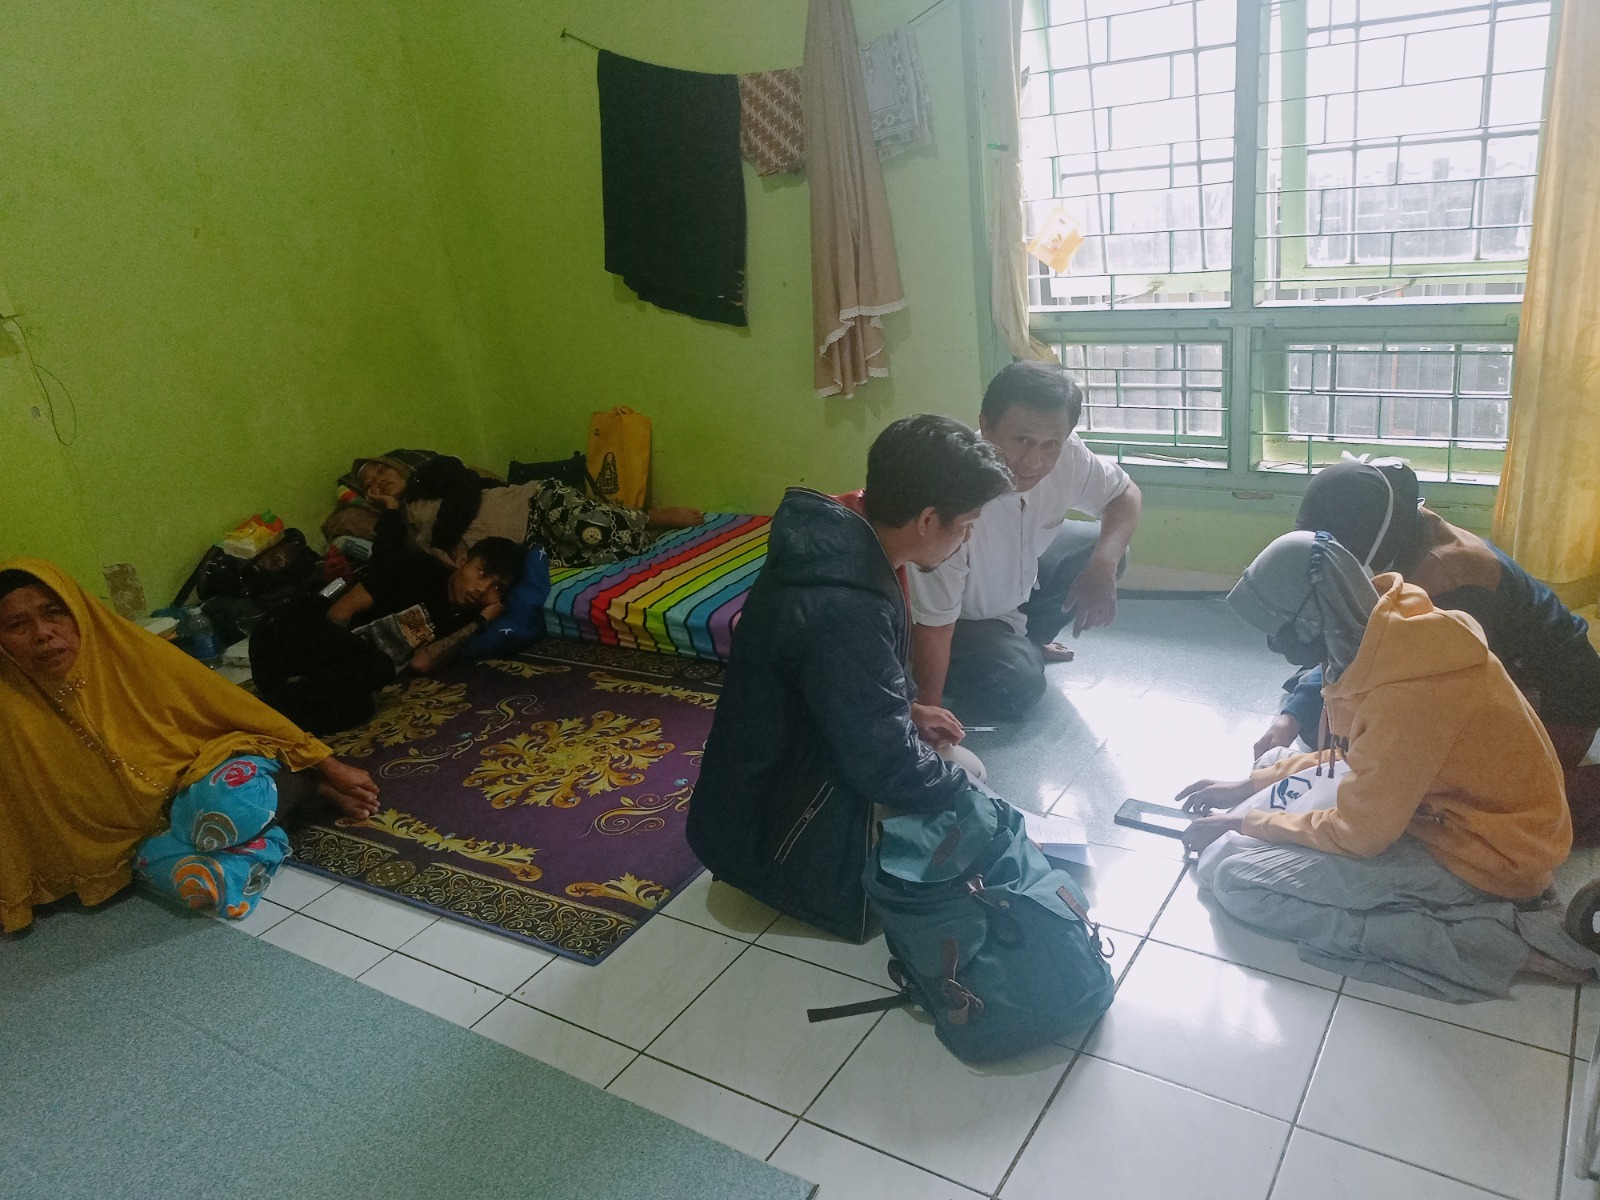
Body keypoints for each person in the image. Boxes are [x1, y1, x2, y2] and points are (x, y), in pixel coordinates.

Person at [1177, 531, 1596, 1002]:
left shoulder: (1408, 696)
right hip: (1442, 813)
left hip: (1482, 854)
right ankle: (1448, 909)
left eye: (1282, 630)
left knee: (1237, 881)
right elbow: (1364, 754)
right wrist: (1249, 785)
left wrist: (1245, 822)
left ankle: (1485, 942)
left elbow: (1359, 833)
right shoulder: (1387, 629)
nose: (1277, 643)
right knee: (1276, 764)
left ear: (1314, 619)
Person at [687, 415, 1014, 940]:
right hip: (771, 833)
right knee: (967, 779)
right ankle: (804, 887)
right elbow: (883, 764)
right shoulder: (846, 605)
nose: (967, 537)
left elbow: (829, 681)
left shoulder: (838, 543)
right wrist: (990, 808)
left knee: (953, 770)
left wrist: (908, 709)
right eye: (967, 524)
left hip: (756, 793)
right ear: (928, 520)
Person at [0, 560, 379, 934]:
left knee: (226, 808)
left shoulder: (131, 653)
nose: (43, 633)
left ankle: (307, 784)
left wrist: (327, 765)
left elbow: (236, 708)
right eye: (17, 625)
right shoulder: (9, 708)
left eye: (54, 612)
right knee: (202, 886)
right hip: (137, 835)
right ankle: (264, 828)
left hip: (204, 774)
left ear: (80, 610)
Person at [1253, 458, 1600, 836]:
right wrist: (1293, 715)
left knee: (1473, 800)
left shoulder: (1446, 577)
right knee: (1326, 726)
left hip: (1561, 702)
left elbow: (1379, 658)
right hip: (1498, 664)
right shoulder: (1406, 529)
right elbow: (1360, 641)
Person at [907, 360, 1142, 722]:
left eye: (1050, 444)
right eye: (1022, 441)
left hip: (1015, 592)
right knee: (1018, 684)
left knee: (1106, 548)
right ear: (986, 425)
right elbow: (933, 625)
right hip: (957, 621)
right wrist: (928, 713)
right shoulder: (951, 495)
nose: (1034, 461)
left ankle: (1023, 642)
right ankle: (1000, 654)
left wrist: (1103, 565)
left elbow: (1124, 495)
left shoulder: (1068, 454)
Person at [249, 536, 523, 733]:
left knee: (361, 707)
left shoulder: (462, 620)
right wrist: (323, 672)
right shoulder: (417, 568)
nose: (483, 589)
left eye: (497, 588)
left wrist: (479, 622)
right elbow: (341, 611)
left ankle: (265, 716)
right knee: (378, 665)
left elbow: (422, 663)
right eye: (482, 574)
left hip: (304, 679)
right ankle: (262, 710)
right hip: (283, 638)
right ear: (462, 561)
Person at [353, 450, 705, 569]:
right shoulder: (398, 521)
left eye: (381, 470)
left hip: (534, 502)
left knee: (589, 528)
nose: (379, 481)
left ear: (396, 466)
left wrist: (446, 539)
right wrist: (392, 510)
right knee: (604, 554)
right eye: (370, 484)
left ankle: (649, 516)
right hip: (527, 542)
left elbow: (465, 489)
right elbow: (397, 558)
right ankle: (638, 529)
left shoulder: (432, 475)